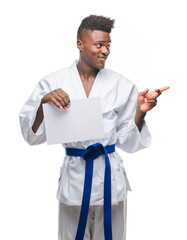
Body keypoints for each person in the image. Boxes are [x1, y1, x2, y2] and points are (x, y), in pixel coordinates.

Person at [19, 15, 169, 240]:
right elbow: (32, 137)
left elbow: (128, 142)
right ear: (80, 44)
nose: (105, 51)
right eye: (99, 45)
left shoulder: (122, 85)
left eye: (108, 45)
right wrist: (43, 102)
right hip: (75, 179)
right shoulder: (52, 83)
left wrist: (140, 112)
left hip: (109, 178)